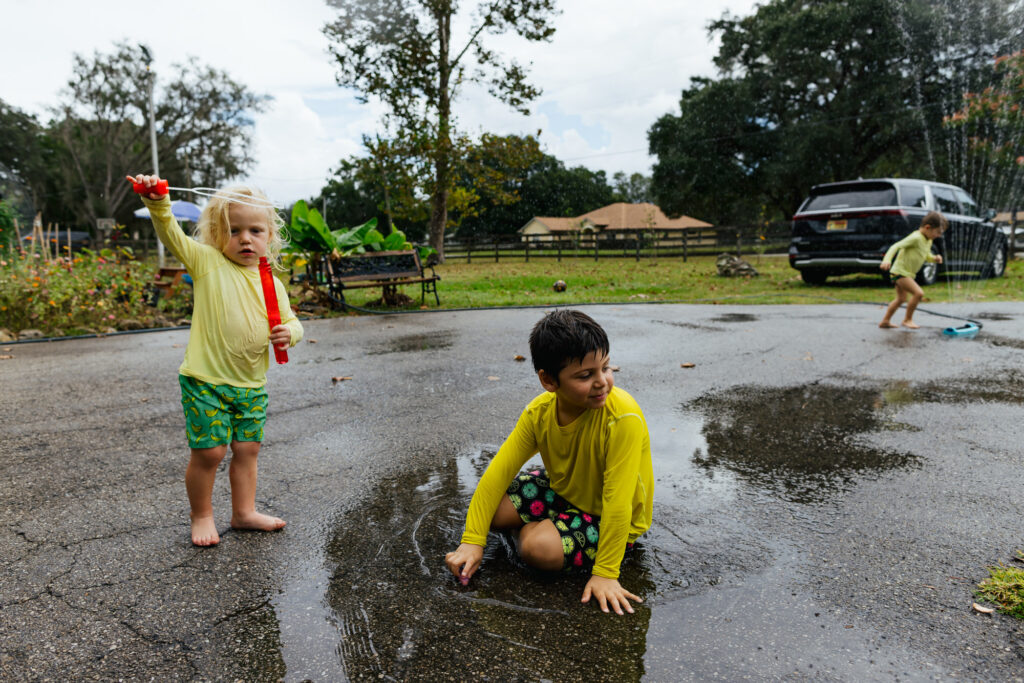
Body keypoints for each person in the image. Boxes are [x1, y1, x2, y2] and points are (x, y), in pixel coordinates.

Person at [127, 174, 303, 546]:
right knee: (210, 451)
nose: (244, 238)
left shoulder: (272, 282)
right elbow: (171, 233)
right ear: (215, 233)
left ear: (269, 236)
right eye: (233, 230)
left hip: (251, 383)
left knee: (247, 450)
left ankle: (243, 513)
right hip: (205, 379)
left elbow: (291, 321)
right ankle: (202, 515)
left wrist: (291, 333)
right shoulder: (206, 262)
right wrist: (158, 201)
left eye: (255, 230)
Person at [445, 309, 653, 615]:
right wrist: (472, 541)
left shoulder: (622, 417)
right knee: (493, 512)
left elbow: (618, 501)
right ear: (548, 380)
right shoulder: (539, 413)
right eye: (585, 375)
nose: (602, 383)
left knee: (535, 548)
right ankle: (550, 527)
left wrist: (606, 572)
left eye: (605, 368)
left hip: (607, 513)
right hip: (566, 491)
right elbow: (498, 473)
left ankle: (545, 532)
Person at [879, 211, 948, 329]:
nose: (939, 235)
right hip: (900, 272)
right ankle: (907, 320)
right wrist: (887, 260)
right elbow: (895, 246)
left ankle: (885, 321)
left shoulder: (928, 240)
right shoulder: (916, 237)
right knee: (918, 293)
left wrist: (934, 258)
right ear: (928, 227)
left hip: (907, 273)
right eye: (938, 232)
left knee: (901, 299)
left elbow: (926, 256)